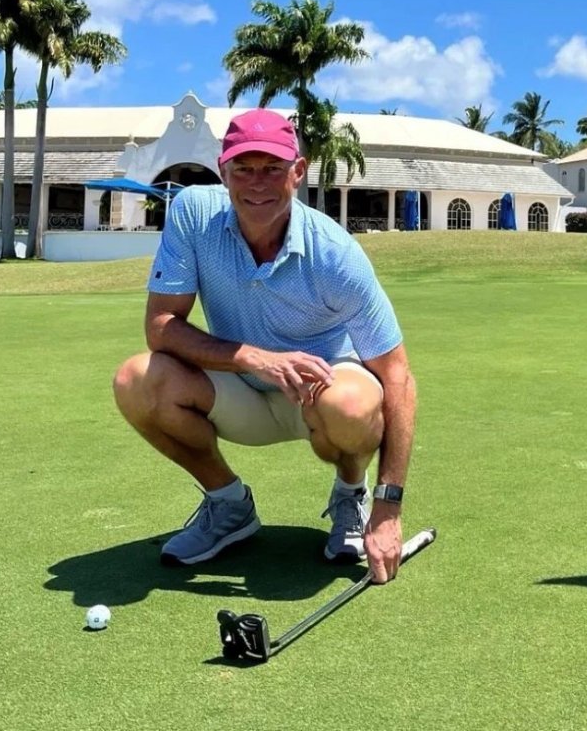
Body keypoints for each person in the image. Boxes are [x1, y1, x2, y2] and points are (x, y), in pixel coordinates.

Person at [113, 108, 416, 583]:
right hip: (237, 389)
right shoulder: (193, 213)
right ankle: (229, 506)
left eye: (273, 168)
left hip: (320, 394)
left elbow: (396, 373)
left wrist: (388, 506)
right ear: (222, 170)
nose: (258, 183)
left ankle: (350, 495)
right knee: (136, 378)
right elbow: (162, 326)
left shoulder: (335, 251)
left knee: (353, 406)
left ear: (298, 171)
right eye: (244, 169)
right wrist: (254, 357)